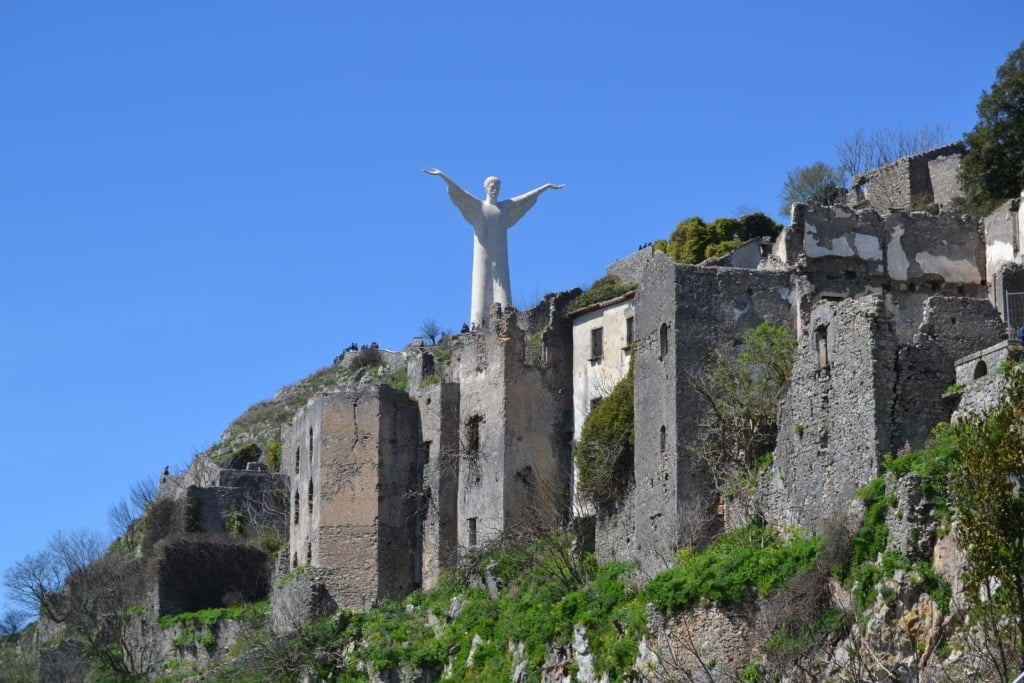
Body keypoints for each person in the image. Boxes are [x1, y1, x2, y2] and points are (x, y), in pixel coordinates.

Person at [424, 168, 564, 326]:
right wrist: (442, 175)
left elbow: (525, 198)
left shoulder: (504, 209)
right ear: (485, 188)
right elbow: (460, 192)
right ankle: (476, 325)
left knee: (503, 295)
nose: (495, 189)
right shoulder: (478, 207)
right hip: (482, 257)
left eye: (497, 187)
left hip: (500, 258)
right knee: (480, 291)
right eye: (491, 186)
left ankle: (507, 324)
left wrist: (545, 187)